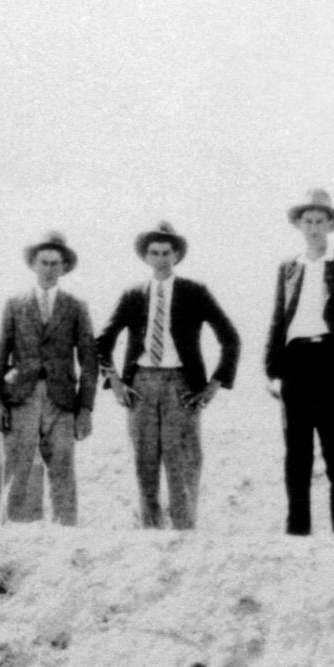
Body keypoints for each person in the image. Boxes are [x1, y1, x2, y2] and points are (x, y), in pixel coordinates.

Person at [97, 222, 240, 530]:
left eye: (166, 253)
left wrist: (213, 386)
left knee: (183, 464)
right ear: (146, 257)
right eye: (154, 253)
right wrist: (116, 382)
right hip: (141, 386)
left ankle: (185, 535)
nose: (160, 259)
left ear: (176, 255)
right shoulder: (133, 294)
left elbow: (230, 338)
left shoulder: (194, 292)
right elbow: (102, 342)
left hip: (181, 386)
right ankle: (150, 536)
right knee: (145, 465)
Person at [263, 189, 334, 536]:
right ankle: (297, 532)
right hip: (295, 362)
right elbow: (277, 320)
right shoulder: (289, 267)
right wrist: (271, 372)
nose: (314, 228)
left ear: (331, 224)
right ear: (299, 224)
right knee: (296, 453)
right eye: (308, 221)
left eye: (320, 221)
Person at [0, 232, 98, 525]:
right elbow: (0, 354)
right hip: (21, 397)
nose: (49, 268)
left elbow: (89, 360)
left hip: (61, 400)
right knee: (17, 469)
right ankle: (8, 534)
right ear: (34, 265)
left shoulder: (76, 307)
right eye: (44, 262)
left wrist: (85, 408)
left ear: (64, 268)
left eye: (55, 263)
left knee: (63, 468)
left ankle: (65, 534)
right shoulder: (15, 304)